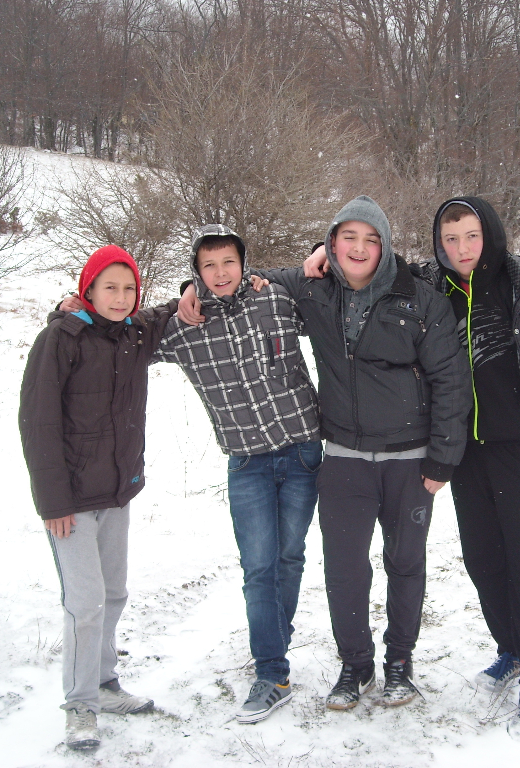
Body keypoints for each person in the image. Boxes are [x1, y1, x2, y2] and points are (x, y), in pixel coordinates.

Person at [309, 197, 520, 737]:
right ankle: (510, 649)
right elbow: (373, 267)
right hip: (467, 455)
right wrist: (320, 256)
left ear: (491, 235)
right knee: (484, 561)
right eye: (450, 239)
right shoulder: (431, 287)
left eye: (471, 236)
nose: (462, 249)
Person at [179, 197, 471, 710]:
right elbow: (236, 277)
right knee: (344, 569)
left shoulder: (420, 298)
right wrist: (191, 287)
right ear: (332, 243)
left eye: (370, 239)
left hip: (410, 459)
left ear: (384, 246)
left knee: (405, 563)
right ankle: (355, 665)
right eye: (347, 237)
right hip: (343, 456)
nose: (359, 248)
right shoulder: (312, 289)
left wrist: (444, 457)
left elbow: (451, 377)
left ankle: (399, 663)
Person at [152, 224, 322, 724]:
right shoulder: (184, 326)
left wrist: (318, 251)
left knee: (290, 558)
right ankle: (272, 672)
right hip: (247, 464)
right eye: (208, 266)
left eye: (229, 261)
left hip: (303, 453)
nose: (220, 273)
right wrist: (70, 309)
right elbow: (122, 331)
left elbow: (325, 285)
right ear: (196, 273)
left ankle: (274, 639)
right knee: (259, 568)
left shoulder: (276, 299)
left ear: (244, 264)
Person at [19, 245, 177, 750]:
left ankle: (106, 684)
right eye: (110, 287)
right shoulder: (61, 339)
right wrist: (53, 503)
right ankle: (80, 703)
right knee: (84, 603)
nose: (121, 297)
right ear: (87, 289)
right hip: (70, 503)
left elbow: (168, 311)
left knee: (113, 594)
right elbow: (38, 422)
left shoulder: (133, 334)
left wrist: (193, 291)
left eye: (129, 288)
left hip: (115, 494)